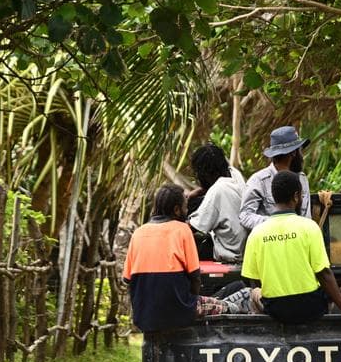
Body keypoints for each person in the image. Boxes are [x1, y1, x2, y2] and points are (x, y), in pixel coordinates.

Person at [242, 170, 341, 324]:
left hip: (275, 311)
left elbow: (253, 279)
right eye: (301, 195)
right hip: (311, 308)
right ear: (296, 196)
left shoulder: (256, 233)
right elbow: (323, 273)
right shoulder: (309, 227)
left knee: (253, 293)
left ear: (274, 197)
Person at [123, 185, 229, 331]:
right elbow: (195, 278)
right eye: (185, 207)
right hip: (180, 313)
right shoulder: (183, 230)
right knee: (234, 301)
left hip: (144, 318)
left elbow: (127, 280)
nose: (187, 211)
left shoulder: (138, 233)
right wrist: (191, 303)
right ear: (177, 210)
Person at [239, 125, 312, 232]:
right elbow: (245, 216)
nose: (302, 156)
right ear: (293, 153)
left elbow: (307, 217)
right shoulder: (259, 181)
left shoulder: (302, 179)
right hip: (271, 240)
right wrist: (275, 223)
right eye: (300, 150)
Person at [186, 144, 246, 263]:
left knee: (186, 241)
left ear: (205, 174)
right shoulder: (234, 174)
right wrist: (196, 192)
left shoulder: (218, 190)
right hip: (241, 244)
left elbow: (192, 227)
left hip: (230, 251)